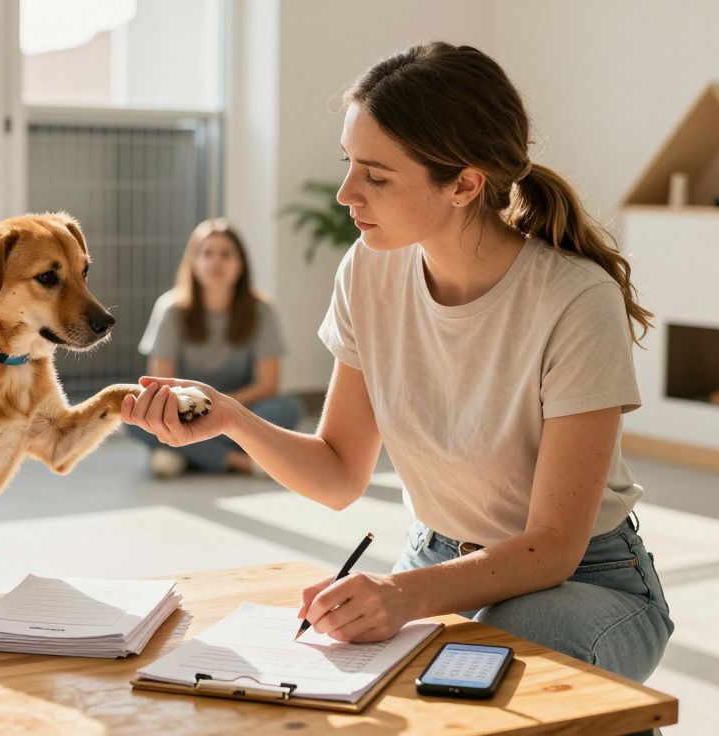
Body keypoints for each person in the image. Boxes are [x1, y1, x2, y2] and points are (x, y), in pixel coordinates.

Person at [121, 42, 673, 683]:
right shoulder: (367, 270)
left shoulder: (575, 300)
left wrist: (406, 596)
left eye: (376, 176)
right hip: (436, 558)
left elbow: (552, 546)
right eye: (349, 164)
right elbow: (337, 474)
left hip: (584, 577)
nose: (344, 192)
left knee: (496, 664)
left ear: (464, 184)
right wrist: (232, 418)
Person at [129, 218, 302, 478]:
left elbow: (268, 385)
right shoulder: (170, 309)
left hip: (241, 410)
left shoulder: (262, 310)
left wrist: (222, 410)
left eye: (226, 254)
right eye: (207, 253)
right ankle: (239, 460)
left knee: (288, 408)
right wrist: (201, 412)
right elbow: (159, 385)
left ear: (240, 264)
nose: (216, 262)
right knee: (132, 415)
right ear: (194, 262)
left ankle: (185, 452)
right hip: (186, 410)